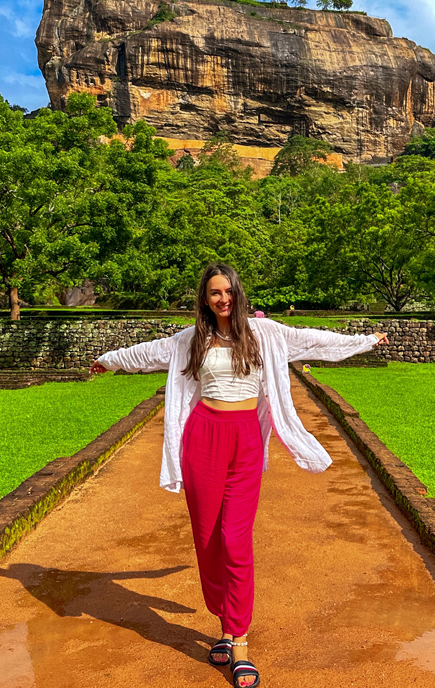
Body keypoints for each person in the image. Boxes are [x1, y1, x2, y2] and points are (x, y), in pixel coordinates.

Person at [90, 263, 388, 687]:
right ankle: (225, 627)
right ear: (204, 299)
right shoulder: (192, 338)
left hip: (245, 440)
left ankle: (240, 641)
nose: (222, 299)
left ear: (238, 292)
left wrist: (364, 342)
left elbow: (314, 341)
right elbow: (146, 353)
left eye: (227, 291)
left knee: (235, 538)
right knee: (208, 539)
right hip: (202, 440)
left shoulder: (265, 333)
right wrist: (109, 361)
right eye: (214, 293)